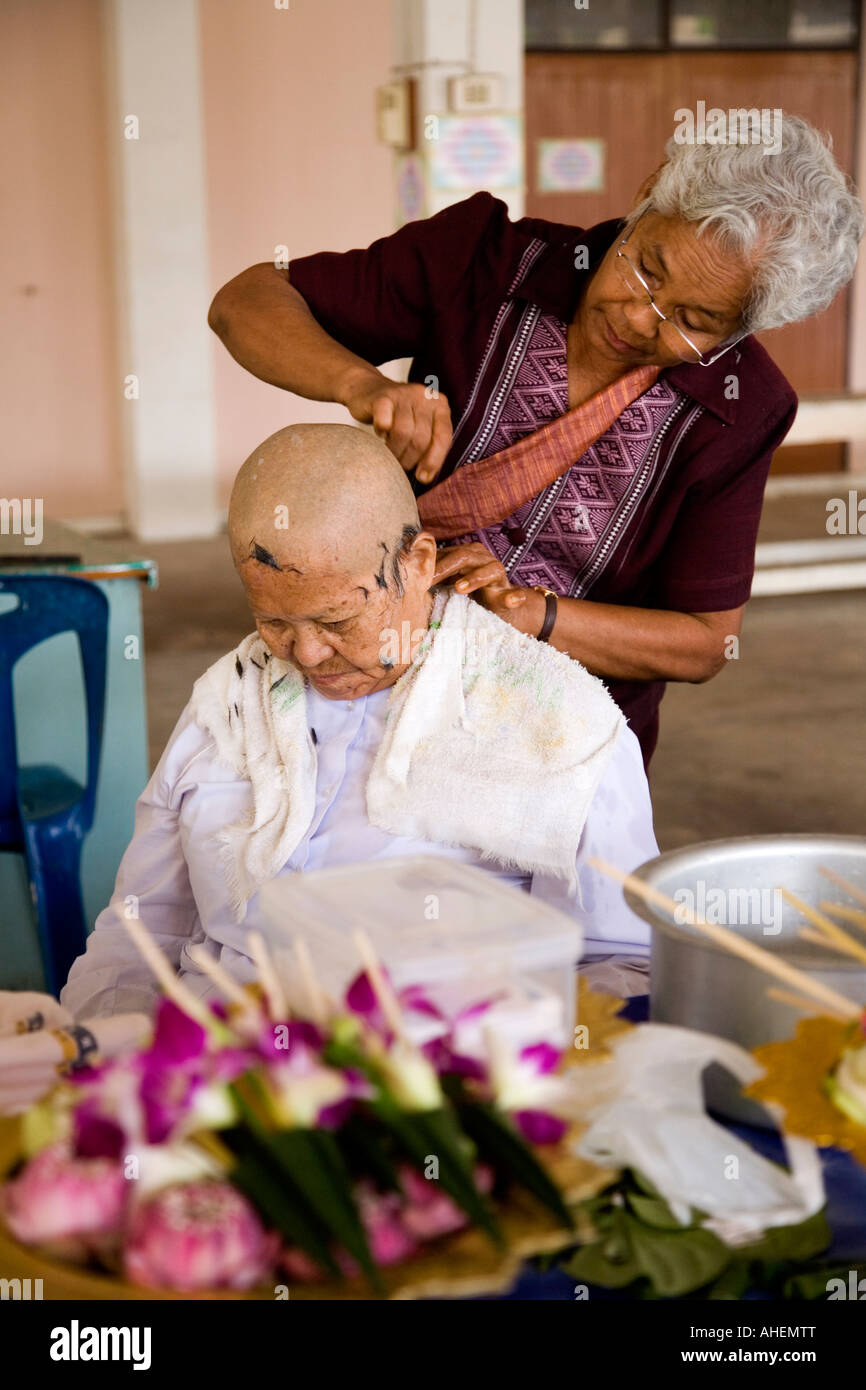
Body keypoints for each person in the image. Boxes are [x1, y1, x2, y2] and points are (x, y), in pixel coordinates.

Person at [208, 114, 864, 767]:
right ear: (651, 191)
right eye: (646, 269)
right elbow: (246, 301)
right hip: (367, 685)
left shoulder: (741, 407)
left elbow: (703, 642)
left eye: (692, 321)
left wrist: (534, 617)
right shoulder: (484, 262)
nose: (637, 319)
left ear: (744, 329)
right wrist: (361, 385)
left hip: (559, 742)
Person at [60, 424, 657, 1022]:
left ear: (419, 563)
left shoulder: (559, 725)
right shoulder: (230, 701)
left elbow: (618, 967)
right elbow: (140, 933)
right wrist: (92, 1059)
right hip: (210, 1066)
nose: (308, 654)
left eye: (338, 621)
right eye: (275, 623)